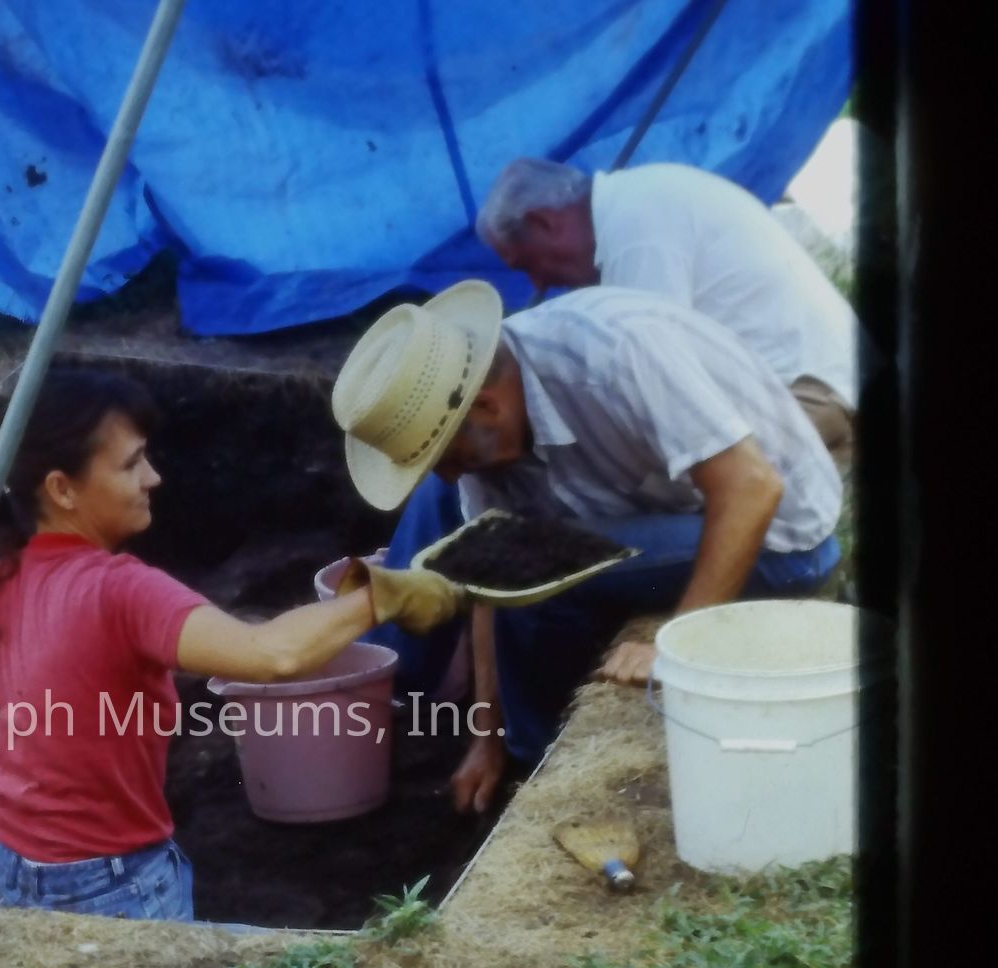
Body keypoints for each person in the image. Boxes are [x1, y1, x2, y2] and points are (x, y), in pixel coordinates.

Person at [0, 371, 462, 923]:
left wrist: (29, 849)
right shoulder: (120, 591)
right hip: (115, 890)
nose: (153, 477)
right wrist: (382, 597)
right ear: (62, 489)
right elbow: (272, 655)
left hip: (3, 880)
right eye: (131, 464)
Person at [331, 280, 844, 813]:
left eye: (447, 456)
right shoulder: (483, 407)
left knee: (535, 568)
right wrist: (486, 738)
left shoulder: (616, 354)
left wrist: (675, 648)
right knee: (495, 545)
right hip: (671, 511)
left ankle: (541, 773)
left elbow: (754, 489)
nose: (450, 474)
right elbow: (488, 583)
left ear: (485, 405)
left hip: (784, 538)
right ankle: (522, 758)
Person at [472, 156, 860, 459]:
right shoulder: (637, 201)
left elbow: (653, 381)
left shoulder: (634, 228)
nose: (539, 284)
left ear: (543, 222)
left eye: (526, 263)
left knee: (703, 496)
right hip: (812, 382)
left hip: (802, 391)